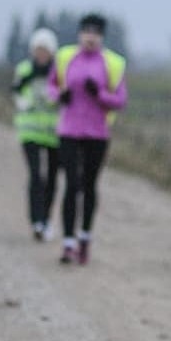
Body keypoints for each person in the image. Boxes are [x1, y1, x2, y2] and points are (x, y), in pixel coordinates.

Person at [47, 13, 127, 265]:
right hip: (69, 131)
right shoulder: (64, 57)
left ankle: (85, 238)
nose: (90, 37)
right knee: (71, 185)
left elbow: (120, 100)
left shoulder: (113, 63)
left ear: (101, 37)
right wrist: (60, 96)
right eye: (86, 31)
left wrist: (100, 94)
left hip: (97, 133)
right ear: (80, 34)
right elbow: (50, 86)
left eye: (95, 32)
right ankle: (68, 243)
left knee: (90, 186)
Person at [11, 28, 60, 241]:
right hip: (29, 131)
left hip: (54, 132)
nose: (41, 53)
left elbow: (62, 98)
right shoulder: (24, 70)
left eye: (45, 49)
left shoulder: (58, 72)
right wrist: (22, 99)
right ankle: (36, 220)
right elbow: (16, 93)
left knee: (51, 178)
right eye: (38, 49)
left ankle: (47, 219)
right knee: (36, 176)